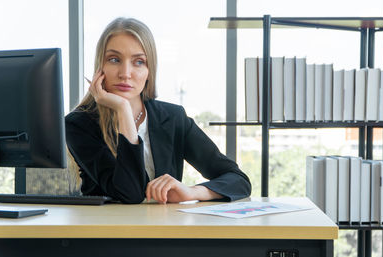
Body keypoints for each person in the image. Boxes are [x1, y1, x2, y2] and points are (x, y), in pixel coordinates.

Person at [65, 17, 251, 204]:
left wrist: (193, 192)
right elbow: (130, 194)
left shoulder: (173, 117)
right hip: (106, 229)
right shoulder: (79, 124)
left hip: (164, 228)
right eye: (114, 59)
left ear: (149, 71)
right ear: (100, 67)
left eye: (138, 62)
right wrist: (123, 110)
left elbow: (238, 180)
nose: (125, 73)